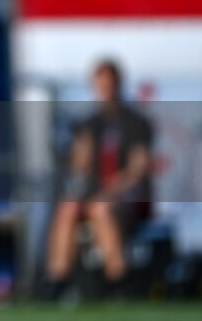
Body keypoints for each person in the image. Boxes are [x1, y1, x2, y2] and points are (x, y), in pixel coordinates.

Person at [45, 60, 154, 298]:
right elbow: (80, 168)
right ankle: (57, 279)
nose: (105, 90)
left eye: (109, 84)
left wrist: (113, 187)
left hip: (127, 196)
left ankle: (118, 278)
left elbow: (138, 167)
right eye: (100, 85)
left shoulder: (136, 123)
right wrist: (75, 151)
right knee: (68, 207)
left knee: (101, 207)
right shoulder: (90, 124)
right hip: (95, 193)